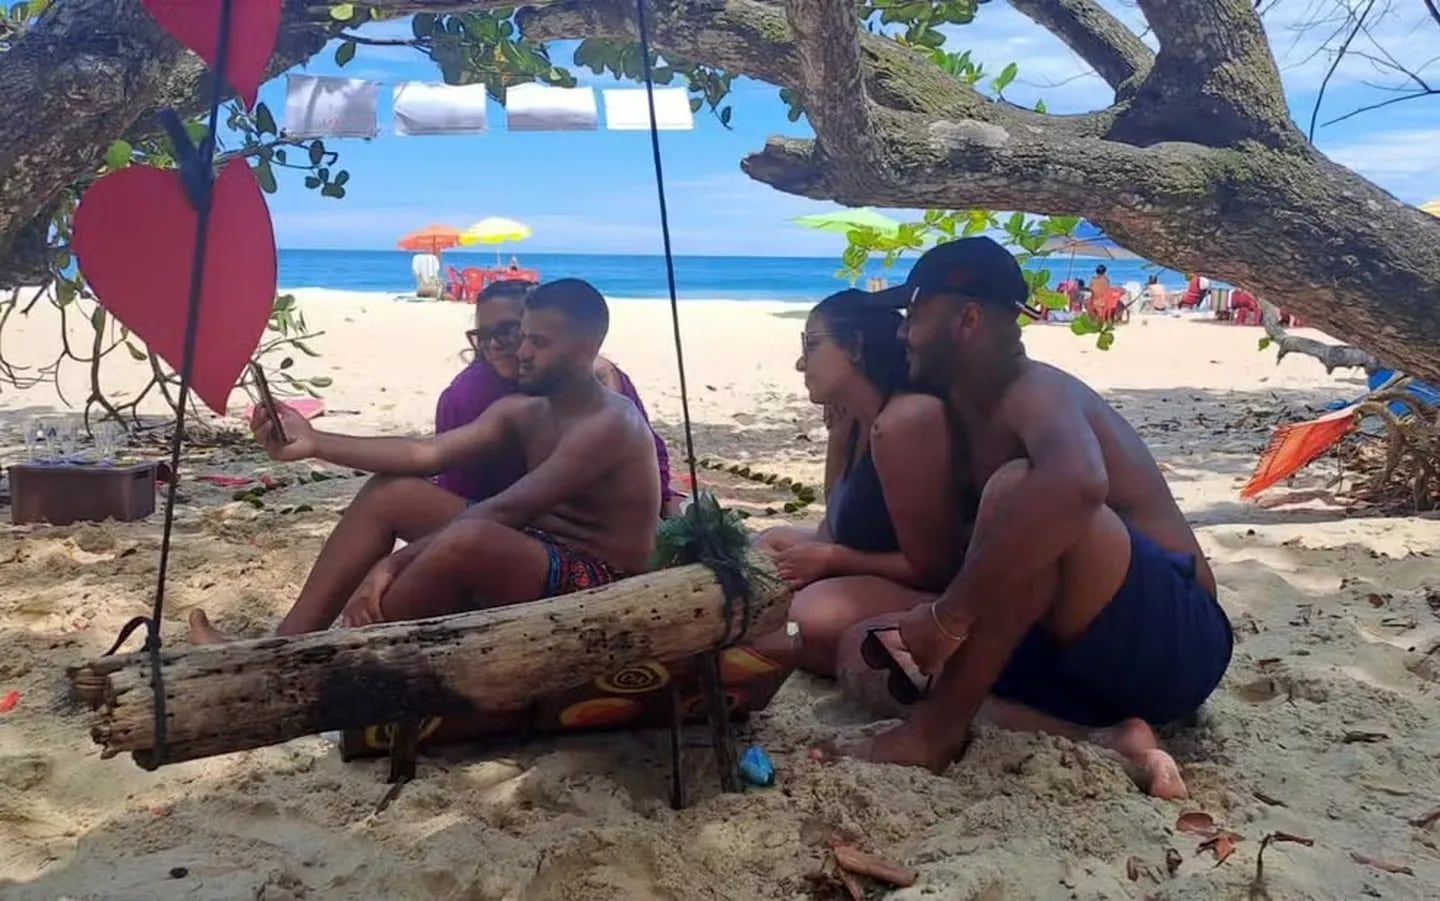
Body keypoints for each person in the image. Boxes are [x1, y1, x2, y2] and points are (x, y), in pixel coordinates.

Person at [824, 237, 1233, 800]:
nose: (901, 332)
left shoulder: (1033, 390)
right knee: (862, 648)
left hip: (1174, 642)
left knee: (1025, 493)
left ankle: (935, 733)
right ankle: (1104, 740)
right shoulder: (962, 407)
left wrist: (947, 617)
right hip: (1075, 659)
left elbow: (1077, 484)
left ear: (966, 318)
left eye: (914, 314)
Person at [188, 278, 660, 642]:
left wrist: (390, 567)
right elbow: (425, 453)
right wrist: (314, 441)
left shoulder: (608, 424)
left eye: (538, 343)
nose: (522, 353)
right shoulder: (527, 408)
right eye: (524, 338)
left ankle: (359, 657)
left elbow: (503, 512)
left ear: (586, 349)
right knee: (392, 493)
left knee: (471, 537)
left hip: (598, 578)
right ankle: (285, 646)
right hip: (538, 544)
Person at [751, 290, 960, 675]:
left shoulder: (905, 421)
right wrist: (838, 433)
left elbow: (936, 566)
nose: (801, 363)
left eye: (812, 345)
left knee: (803, 618)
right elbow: (837, 522)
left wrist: (832, 559)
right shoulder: (857, 417)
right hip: (880, 564)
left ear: (856, 347)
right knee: (765, 545)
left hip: (939, 591)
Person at [436, 279, 679, 516]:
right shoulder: (469, 394)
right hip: (496, 524)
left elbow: (654, 462)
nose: (495, 345)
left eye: (509, 332)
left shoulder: (602, 383)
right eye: (484, 335)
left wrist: (659, 508)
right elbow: (456, 486)